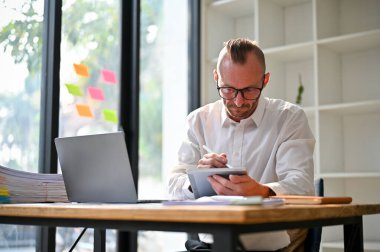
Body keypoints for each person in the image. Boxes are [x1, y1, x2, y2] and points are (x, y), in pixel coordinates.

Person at [168, 38, 315, 251]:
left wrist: (262, 191)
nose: (238, 102)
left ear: (265, 81)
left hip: (276, 240)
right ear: (216, 78)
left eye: (249, 90)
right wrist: (195, 180)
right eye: (228, 89)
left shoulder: (289, 119)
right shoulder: (198, 121)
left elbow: (302, 186)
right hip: (214, 239)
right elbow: (172, 187)